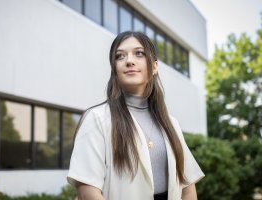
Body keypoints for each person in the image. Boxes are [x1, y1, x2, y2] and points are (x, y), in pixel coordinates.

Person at [67, 31, 204, 200]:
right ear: (114, 69)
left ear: (154, 66)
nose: (129, 61)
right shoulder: (96, 119)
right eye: (120, 56)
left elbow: (187, 188)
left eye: (139, 53)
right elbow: (88, 191)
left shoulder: (170, 123)